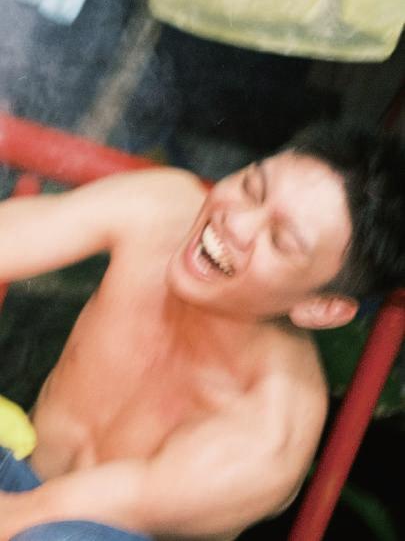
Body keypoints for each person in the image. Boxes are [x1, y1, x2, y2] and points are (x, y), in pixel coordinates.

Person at [0, 121, 404, 541]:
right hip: (18, 472)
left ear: (320, 307)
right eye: (252, 188)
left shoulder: (265, 435)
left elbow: (29, 519)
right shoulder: (162, 210)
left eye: (280, 240)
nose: (236, 224)